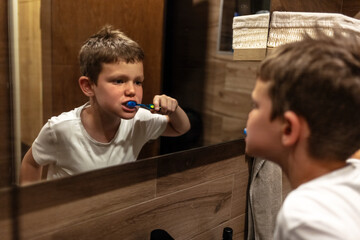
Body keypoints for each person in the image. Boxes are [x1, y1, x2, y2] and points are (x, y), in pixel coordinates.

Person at [20, 25, 191, 185]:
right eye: (119, 81)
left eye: (138, 82)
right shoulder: (60, 129)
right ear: (88, 86)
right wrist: (32, 210)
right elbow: (31, 163)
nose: (132, 90)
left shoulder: (139, 121)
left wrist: (174, 109)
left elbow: (180, 128)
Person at [245, 28, 360, 239]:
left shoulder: (305, 218)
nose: (250, 115)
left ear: (288, 129)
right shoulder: (354, 175)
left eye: (256, 105)